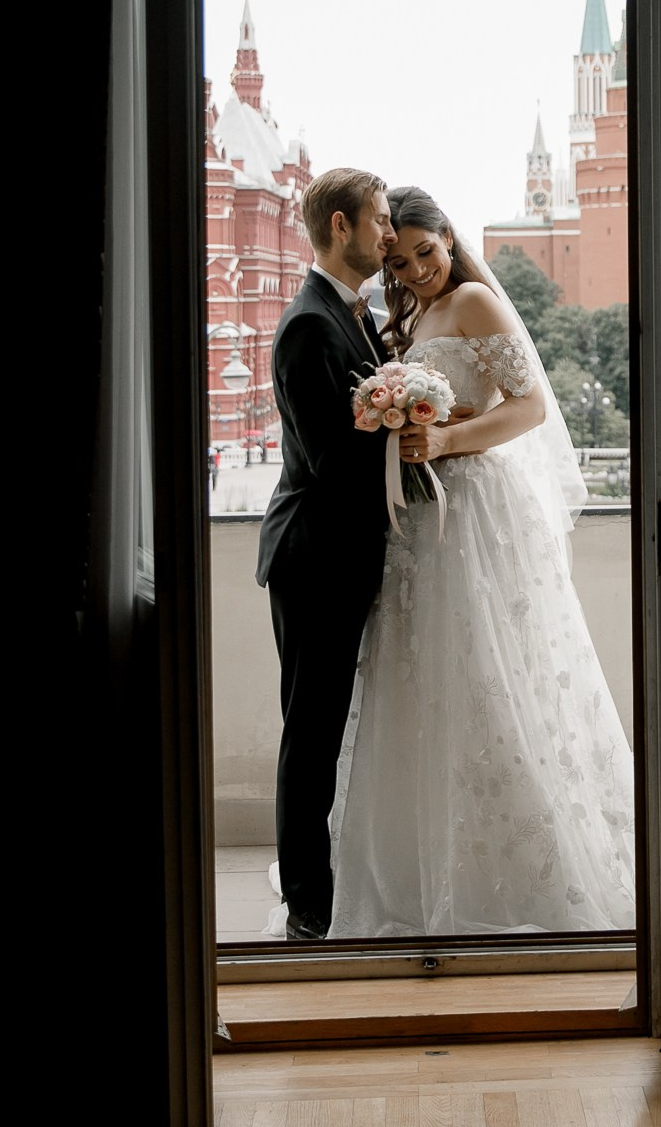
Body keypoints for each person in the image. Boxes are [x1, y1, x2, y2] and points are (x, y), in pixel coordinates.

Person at [327, 186, 638, 937]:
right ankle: (416, 863)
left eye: (426, 253)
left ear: (448, 239)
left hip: (473, 511)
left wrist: (445, 439)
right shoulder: (407, 314)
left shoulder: (473, 301)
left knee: (488, 669)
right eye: (401, 262)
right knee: (422, 677)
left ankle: (519, 866)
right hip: (420, 518)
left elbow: (529, 406)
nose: (417, 270)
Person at [255, 167, 396, 941]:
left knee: (324, 726)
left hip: (344, 555)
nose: (388, 232)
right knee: (310, 734)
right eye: (379, 219)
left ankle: (326, 886)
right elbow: (328, 461)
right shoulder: (308, 325)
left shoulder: (353, 313)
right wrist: (394, 425)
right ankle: (308, 907)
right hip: (313, 559)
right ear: (340, 227)